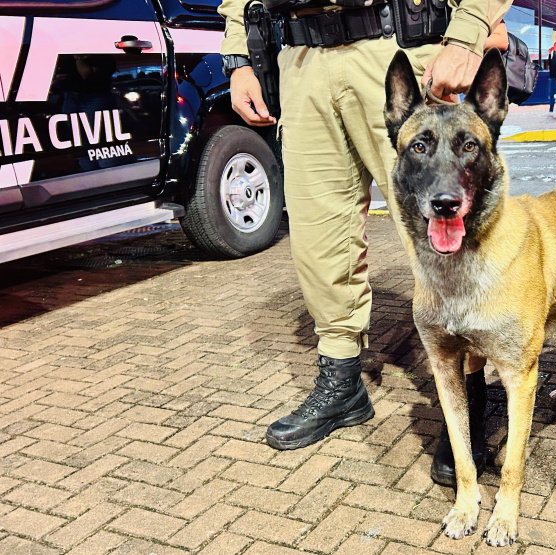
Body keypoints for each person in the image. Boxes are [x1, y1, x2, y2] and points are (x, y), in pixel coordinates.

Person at [216, 0, 509, 484]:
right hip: (301, 59)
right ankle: (341, 381)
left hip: (397, 47)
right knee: (317, 236)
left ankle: (470, 394)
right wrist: (239, 56)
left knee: (451, 236)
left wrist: (467, 31)